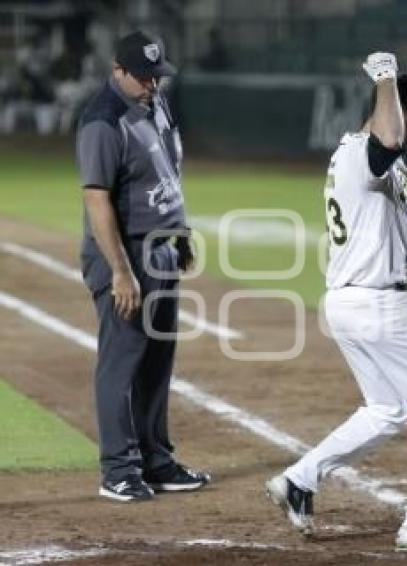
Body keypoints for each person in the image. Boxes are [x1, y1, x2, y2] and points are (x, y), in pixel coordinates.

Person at [265, 52, 407, 553]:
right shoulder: (367, 149)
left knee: (387, 410)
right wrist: (386, 76)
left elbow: (386, 231)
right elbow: (386, 137)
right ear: (396, 110)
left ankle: (300, 480)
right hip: (379, 306)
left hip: (351, 302)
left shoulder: (378, 161)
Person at [76, 30, 209, 502]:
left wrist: (182, 231)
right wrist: (120, 271)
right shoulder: (102, 120)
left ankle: (156, 461)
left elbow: (167, 172)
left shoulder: (155, 103)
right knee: (122, 361)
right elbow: (97, 201)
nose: (153, 83)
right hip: (125, 253)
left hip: (161, 249)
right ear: (118, 72)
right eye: (144, 76)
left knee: (157, 361)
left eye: (157, 75)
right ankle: (118, 470)